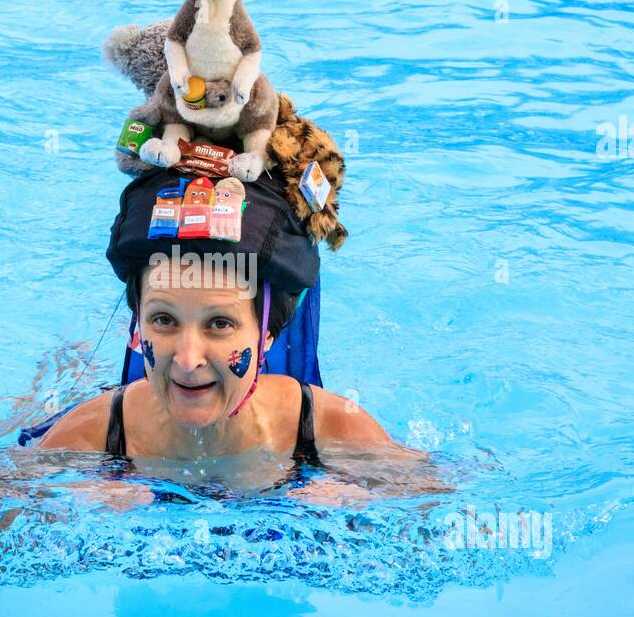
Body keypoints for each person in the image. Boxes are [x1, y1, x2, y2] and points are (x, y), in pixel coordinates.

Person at [35, 165, 442, 507]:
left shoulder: (328, 429)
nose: (188, 358)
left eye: (219, 324)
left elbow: (457, 507)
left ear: (268, 334)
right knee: (38, 410)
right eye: (163, 320)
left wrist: (367, 504)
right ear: (136, 323)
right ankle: (64, 369)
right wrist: (59, 508)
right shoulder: (93, 434)